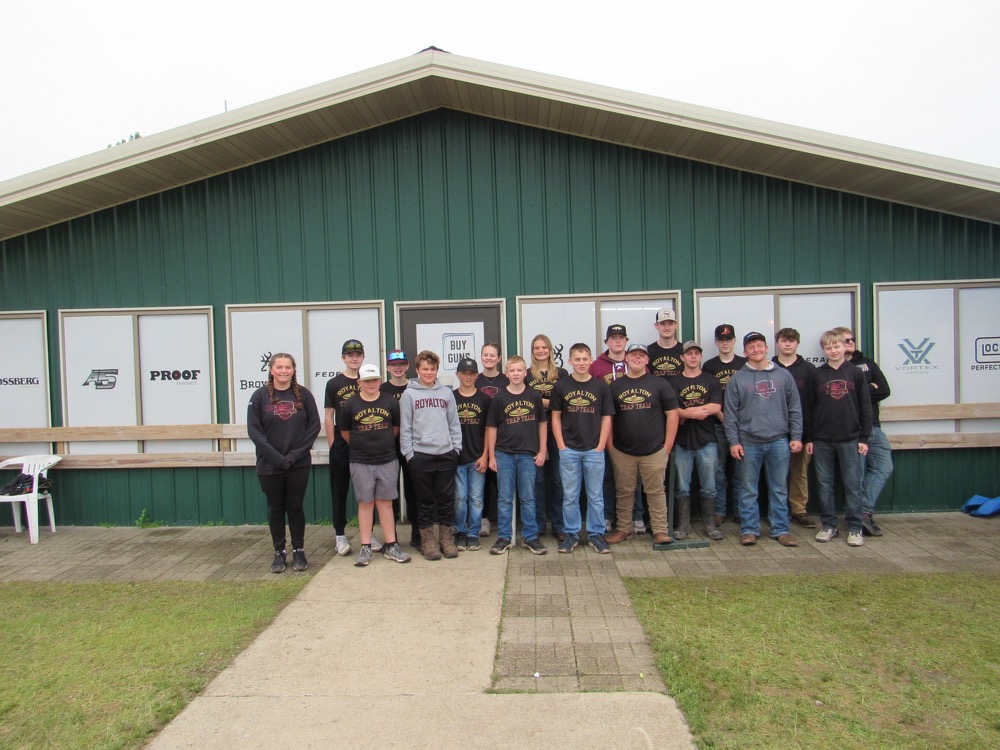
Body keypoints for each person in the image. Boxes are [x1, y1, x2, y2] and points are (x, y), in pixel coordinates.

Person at [724, 332, 803, 547]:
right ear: (744, 352)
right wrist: (734, 441)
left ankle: (781, 529)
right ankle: (749, 529)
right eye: (751, 347)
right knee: (748, 488)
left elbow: (795, 408)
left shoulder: (784, 376)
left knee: (779, 488)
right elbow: (730, 414)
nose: (756, 349)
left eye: (759, 345)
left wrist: (796, 436)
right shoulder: (737, 379)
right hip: (749, 441)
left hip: (778, 440)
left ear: (767, 348)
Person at [247, 353, 322, 573]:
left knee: (295, 507)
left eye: (287, 367)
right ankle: (279, 552)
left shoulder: (304, 396)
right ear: (271, 370)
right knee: (276, 508)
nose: (283, 371)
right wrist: (277, 458)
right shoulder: (259, 396)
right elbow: (255, 432)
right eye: (279, 367)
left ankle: (298, 549)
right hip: (270, 465)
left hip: (296, 465)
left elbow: (313, 427)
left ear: (293, 370)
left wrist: (293, 456)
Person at [605, 343, 679, 546]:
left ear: (647, 360)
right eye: (633, 355)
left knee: (655, 491)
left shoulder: (660, 384)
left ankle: (660, 530)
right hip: (622, 450)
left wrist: (667, 446)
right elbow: (608, 419)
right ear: (626, 359)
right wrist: (610, 447)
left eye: (641, 355)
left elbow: (672, 415)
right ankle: (623, 529)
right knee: (624, 491)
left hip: (655, 449)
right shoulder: (615, 386)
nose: (637, 358)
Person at [340, 364, 411, 566]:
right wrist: (362, 445)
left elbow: (396, 428)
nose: (371, 384)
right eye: (367, 380)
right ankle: (365, 547)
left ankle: (392, 545)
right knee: (365, 503)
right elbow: (345, 432)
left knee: (386, 503)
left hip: (387, 459)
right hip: (360, 461)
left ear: (380, 380)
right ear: (359, 382)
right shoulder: (350, 404)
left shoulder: (390, 402)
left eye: (375, 380)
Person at [809, 330, 872, 548]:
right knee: (824, 485)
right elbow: (809, 408)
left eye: (837, 346)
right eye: (829, 347)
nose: (833, 350)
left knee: (853, 485)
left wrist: (864, 437)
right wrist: (809, 438)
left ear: (844, 347)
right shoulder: (817, 375)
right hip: (822, 440)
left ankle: (855, 528)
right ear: (824, 350)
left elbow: (866, 407)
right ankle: (829, 525)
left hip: (850, 439)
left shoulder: (855, 373)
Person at [550, 342, 615, 554]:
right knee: (570, 495)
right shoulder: (561, 386)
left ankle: (597, 535)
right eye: (577, 359)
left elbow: (607, 417)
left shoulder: (600, 387)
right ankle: (571, 534)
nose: (581, 363)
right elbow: (555, 417)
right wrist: (561, 445)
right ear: (569, 361)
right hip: (569, 449)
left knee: (596, 495)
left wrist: (600, 445)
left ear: (591, 361)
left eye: (585, 359)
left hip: (594, 449)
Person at [399, 350, 463, 561]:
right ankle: (427, 541)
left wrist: (456, 449)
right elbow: (405, 427)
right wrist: (410, 454)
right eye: (425, 369)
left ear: (437, 370)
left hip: (445, 454)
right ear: (417, 370)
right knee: (424, 501)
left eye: (432, 369)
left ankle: (446, 540)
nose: (429, 372)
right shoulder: (409, 395)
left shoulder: (446, 393)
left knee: (446, 500)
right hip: (420, 456)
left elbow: (454, 423)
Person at [486, 355, 547, 555]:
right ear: (506, 374)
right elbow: (492, 428)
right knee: (504, 498)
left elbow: (542, 424)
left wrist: (542, 450)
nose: (516, 374)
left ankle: (530, 537)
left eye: (519, 370)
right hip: (504, 454)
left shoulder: (534, 396)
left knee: (528, 497)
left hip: (528, 455)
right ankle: (504, 537)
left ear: (525, 373)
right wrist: (492, 456)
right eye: (512, 371)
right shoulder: (500, 398)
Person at [324, 339, 380, 557]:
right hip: (342, 443)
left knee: (368, 491)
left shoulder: (370, 379)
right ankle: (340, 535)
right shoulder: (334, 384)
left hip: (366, 444)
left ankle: (369, 533)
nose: (354, 358)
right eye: (350, 355)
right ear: (343, 358)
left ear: (363, 357)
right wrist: (332, 444)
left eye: (358, 354)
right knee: (339, 490)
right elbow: (329, 415)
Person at [836, 326, 893, 536]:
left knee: (884, 467)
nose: (849, 343)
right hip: (852, 431)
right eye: (845, 340)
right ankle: (860, 517)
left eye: (851, 340)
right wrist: (869, 388)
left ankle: (863, 511)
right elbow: (839, 399)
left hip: (874, 428)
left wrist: (858, 393)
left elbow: (885, 389)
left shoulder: (867, 364)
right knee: (856, 477)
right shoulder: (834, 369)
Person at [673, 341, 724, 541]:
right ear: (682, 357)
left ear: (700, 356)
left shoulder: (711, 380)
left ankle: (710, 525)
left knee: (709, 485)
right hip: (682, 441)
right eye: (689, 353)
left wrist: (687, 413)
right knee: (682, 486)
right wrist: (691, 414)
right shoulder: (674, 382)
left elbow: (715, 406)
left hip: (707, 440)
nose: (693, 357)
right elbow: (673, 410)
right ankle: (683, 525)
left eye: (696, 353)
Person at [701, 323, 747, 526]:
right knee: (718, 471)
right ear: (716, 342)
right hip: (718, 424)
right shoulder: (710, 366)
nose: (725, 343)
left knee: (740, 471)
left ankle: (739, 511)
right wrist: (721, 416)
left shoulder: (745, 364)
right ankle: (719, 510)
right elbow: (707, 396)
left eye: (728, 339)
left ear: (734, 341)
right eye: (721, 340)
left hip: (742, 426)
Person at [772, 328, 817, 528]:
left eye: (791, 340)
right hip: (773, 432)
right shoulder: (768, 367)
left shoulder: (808, 370)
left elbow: (815, 403)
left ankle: (799, 510)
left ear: (797, 343)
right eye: (783, 340)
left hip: (801, 432)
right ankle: (776, 510)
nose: (787, 344)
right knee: (775, 475)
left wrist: (810, 437)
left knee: (799, 473)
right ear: (777, 343)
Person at [526, 334, 568, 540]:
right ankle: (539, 524)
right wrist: (550, 403)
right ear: (532, 351)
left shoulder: (562, 374)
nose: (540, 351)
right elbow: (526, 401)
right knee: (537, 481)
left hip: (559, 431)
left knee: (558, 480)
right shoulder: (526, 375)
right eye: (536, 348)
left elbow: (566, 402)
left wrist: (541, 401)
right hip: (533, 433)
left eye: (544, 347)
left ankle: (559, 525)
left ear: (550, 350)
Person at [589, 324, 630, 533]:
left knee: (630, 477)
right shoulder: (596, 366)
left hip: (631, 427)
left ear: (626, 341)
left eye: (621, 337)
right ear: (606, 342)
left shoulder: (636, 362)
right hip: (603, 427)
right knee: (605, 476)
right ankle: (606, 516)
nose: (617, 341)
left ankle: (635, 517)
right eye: (613, 338)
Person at [453, 357, 490, 551]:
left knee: (476, 498)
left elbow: (489, 431)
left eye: (472, 373)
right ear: (457, 374)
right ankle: (459, 530)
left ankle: (473, 532)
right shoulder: (451, 397)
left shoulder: (484, 399)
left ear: (477, 375)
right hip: (457, 458)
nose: (468, 376)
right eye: (464, 373)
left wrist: (485, 455)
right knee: (459, 498)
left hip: (477, 457)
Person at [381, 349, 418, 546]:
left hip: (412, 446)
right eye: (394, 365)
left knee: (413, 491)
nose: (398, 368)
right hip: (388, 447)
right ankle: (391, 537)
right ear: (388, 367)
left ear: (407, 366)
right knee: (389, 492)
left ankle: (417, 535)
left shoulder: (415, 388)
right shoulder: (381, 389)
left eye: (401, 365)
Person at [475, 342, 508, 538]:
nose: (488, 358)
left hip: (504, 437)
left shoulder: (506, 380)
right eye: (485, 355)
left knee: (502, 482)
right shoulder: (475, 380)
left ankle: (507, 521)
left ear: (499, 358)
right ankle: (484, 519)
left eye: (492, 355)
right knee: (483, 481)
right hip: (480, 437)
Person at [647, 308, 683, 379]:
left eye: (670, 324)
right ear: (656, 325)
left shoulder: (684, 350)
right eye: (662, 324)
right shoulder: (648, 351)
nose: (667, 328)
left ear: (676, 325)